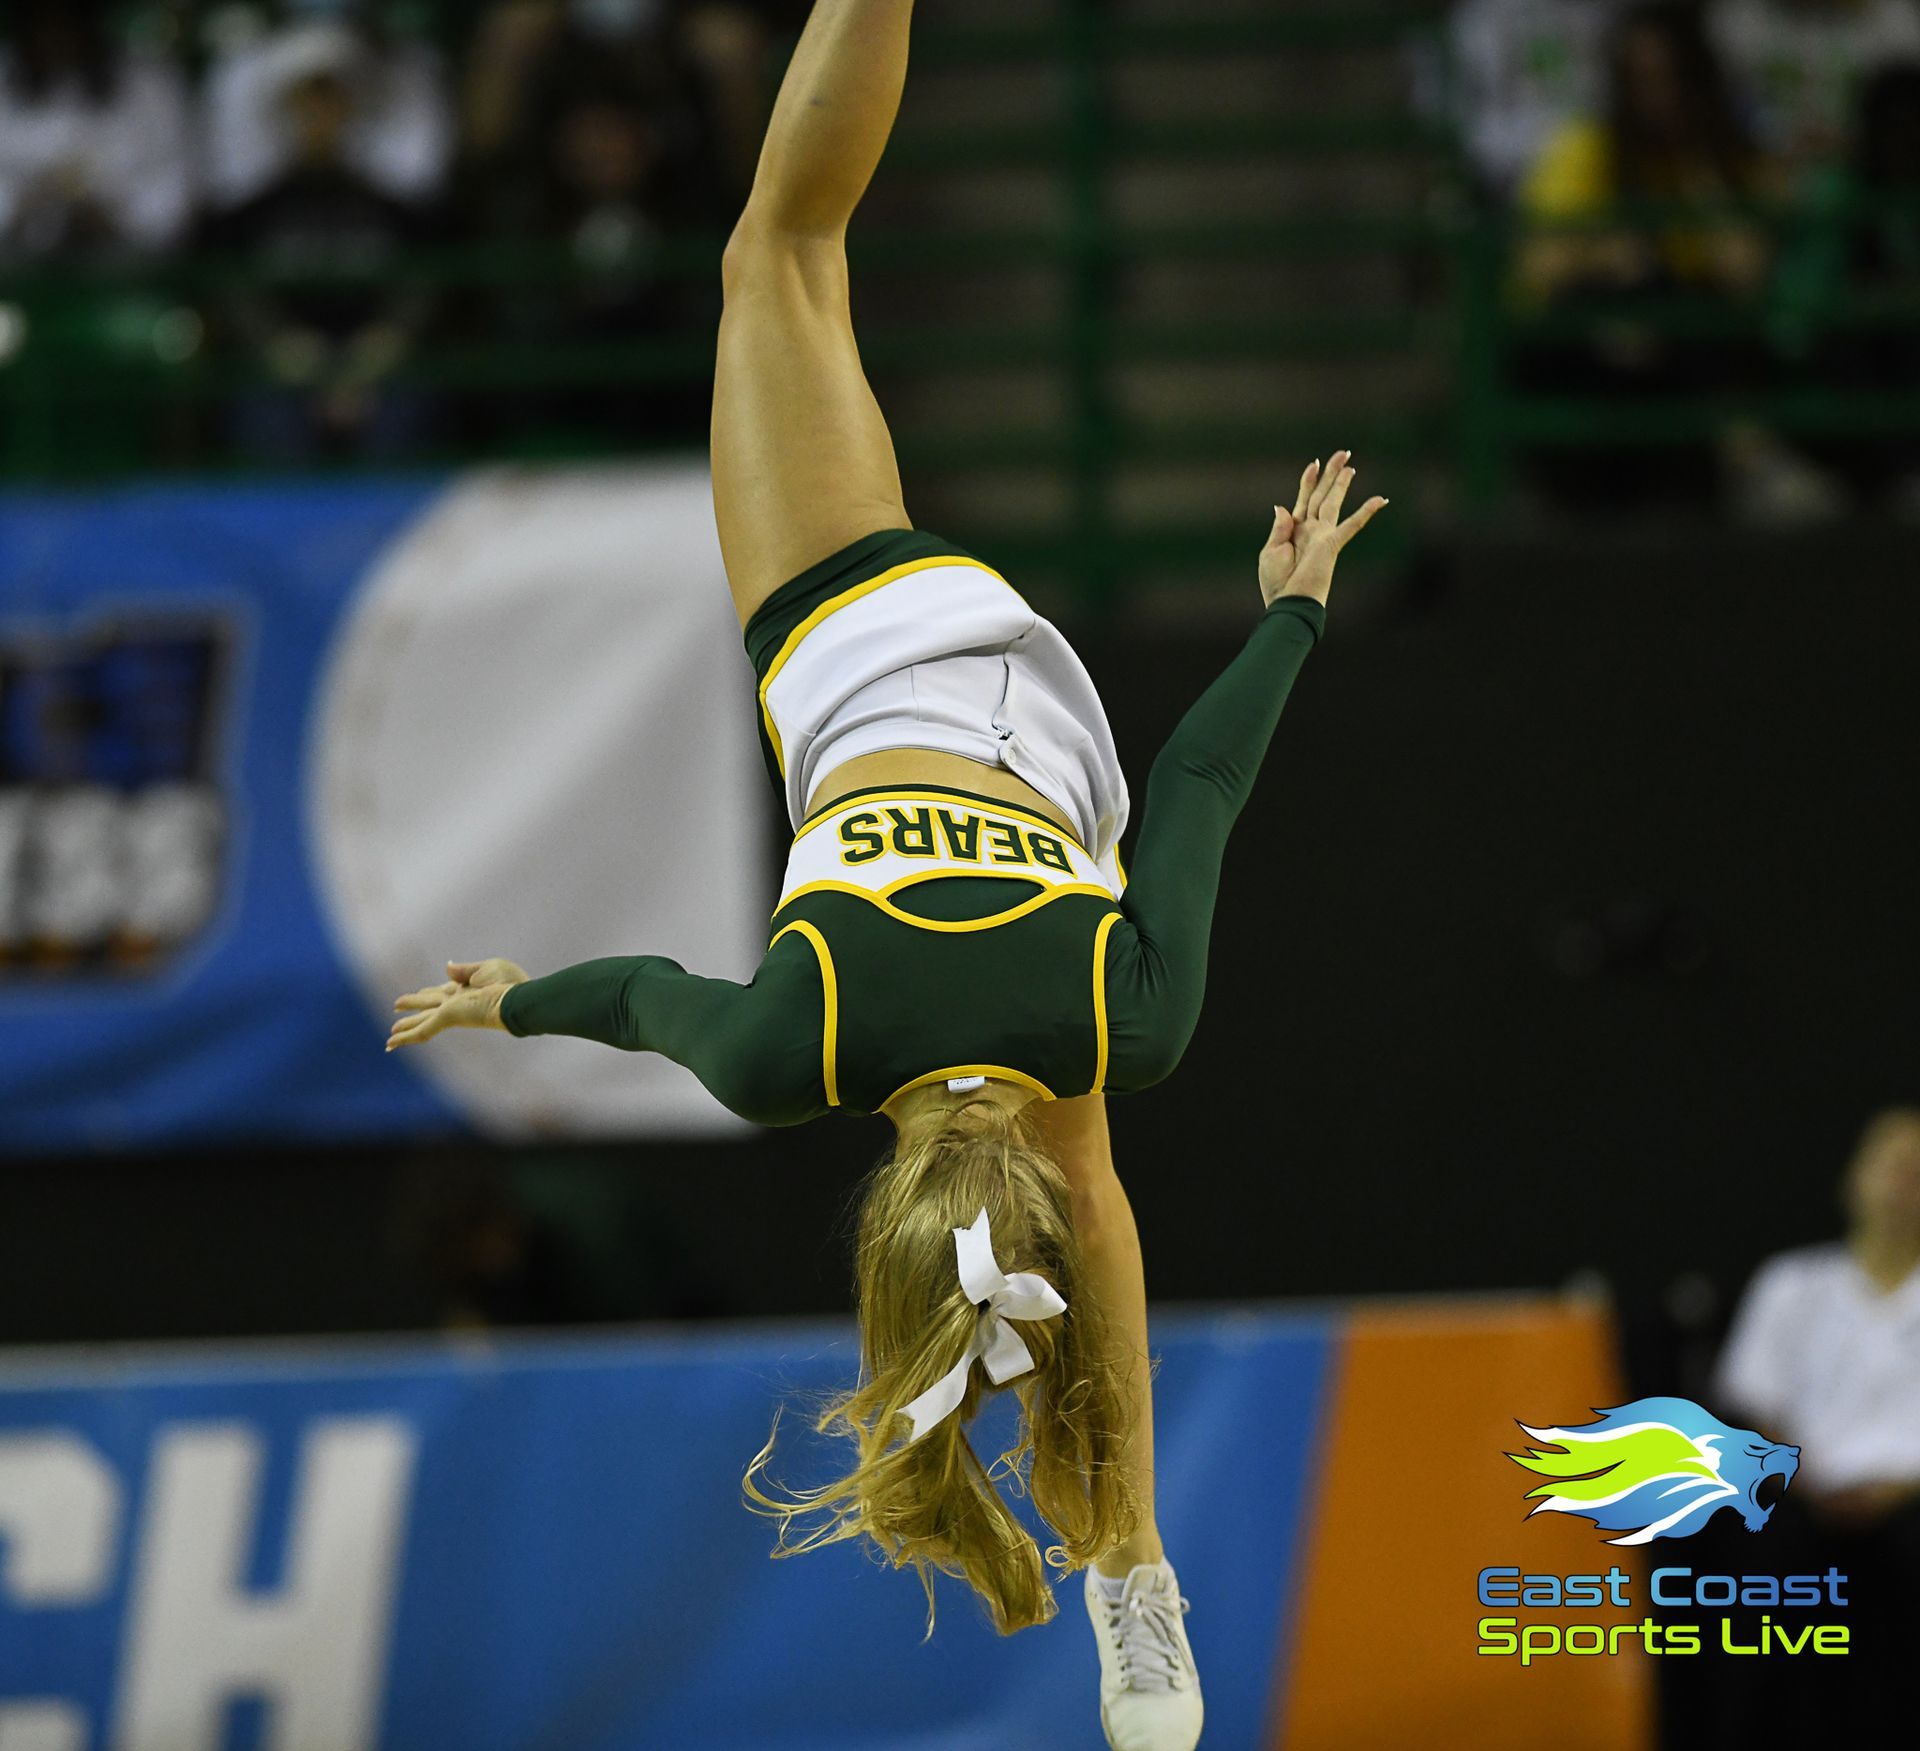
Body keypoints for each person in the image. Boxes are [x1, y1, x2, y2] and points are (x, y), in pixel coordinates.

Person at [386, 6, 1386, 1747]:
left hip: (1038, 719)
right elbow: (638, 999)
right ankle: (1127, 1570)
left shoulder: (1117, 1020)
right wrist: (506, 1002)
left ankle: (1139, 1575)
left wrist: (1290, 604)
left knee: (1086, 1140)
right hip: (854, 636)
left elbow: (1203, 780)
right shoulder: (804, 1049)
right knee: (781, 246)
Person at [1710, 1106, 1920, 1737]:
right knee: (1760, 1564)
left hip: (1912, 1504)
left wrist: (1899, 1491)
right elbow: (1750, 1406)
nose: (1904, 1186)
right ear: (1854, 1179)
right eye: (1893, 1167)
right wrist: (1805, 1484)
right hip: (1797, 1496)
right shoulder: (1791, 1284)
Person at [207, 33, 438, 462]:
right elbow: (237, 294)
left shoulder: (390, 207)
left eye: (331, 100)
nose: (319, 116)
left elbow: (417, 291)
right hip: (286, 362)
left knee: (410, 399)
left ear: (351, 108)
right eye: (306, 103)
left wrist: (379, 350)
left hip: (374, 362)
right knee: (262, 408)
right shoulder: (255, 212)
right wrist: (282, 347)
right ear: (285, 111)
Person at [0, 0, 192, 257]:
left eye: (66, 26)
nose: (55, 38)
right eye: (44, 26)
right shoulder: (5, 78)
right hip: (16, 262)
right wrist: (22, 205)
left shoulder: (151, 86)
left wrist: (113, 218)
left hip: (130, 264)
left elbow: (176, 189)